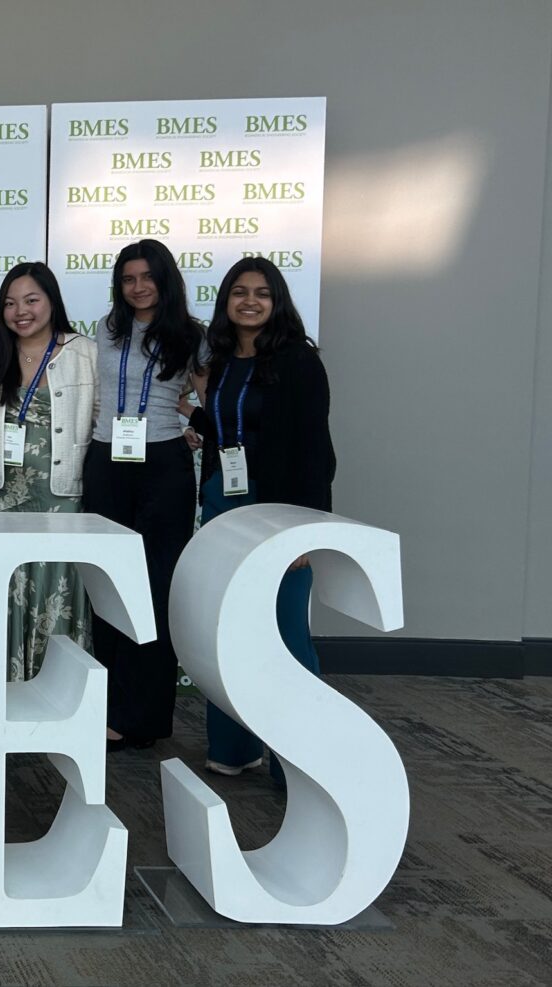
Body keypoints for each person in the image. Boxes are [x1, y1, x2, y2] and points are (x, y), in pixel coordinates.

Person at [182, 256, 335, 781]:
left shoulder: (299, 362)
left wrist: (304, 533)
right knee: (230, 633)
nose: (250, 301)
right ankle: (234, 748)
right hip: (223, 508)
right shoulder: (223, 360)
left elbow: (315, 452)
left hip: (277, 518)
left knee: (286, 637)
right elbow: (235, 430)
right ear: (226, 301)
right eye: (239, 292)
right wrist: (195, 420)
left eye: (262, 293)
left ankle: (300, 763)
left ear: (278, 301)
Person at [82, 238, 204, 750]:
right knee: (108, 586)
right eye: (128, 279)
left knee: (153, 591)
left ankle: (145, 718)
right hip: (107, 463)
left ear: (165, 280)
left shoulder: (191, 335)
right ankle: (108, 710)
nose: (138, 288)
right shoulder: (105, 332)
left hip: (163, 468)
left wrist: (186, 416)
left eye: (147, 278)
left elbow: (211, 403)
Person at [0, 262, 98, 681]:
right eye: (9, 303)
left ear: (51, 302)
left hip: (60, 495)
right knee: (8, 588)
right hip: (3, 494)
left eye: (31, 300)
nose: (20, 311)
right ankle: (5, 690)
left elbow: (101, 418)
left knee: (55, 589)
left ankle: (58, 689)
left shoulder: (85, 353)